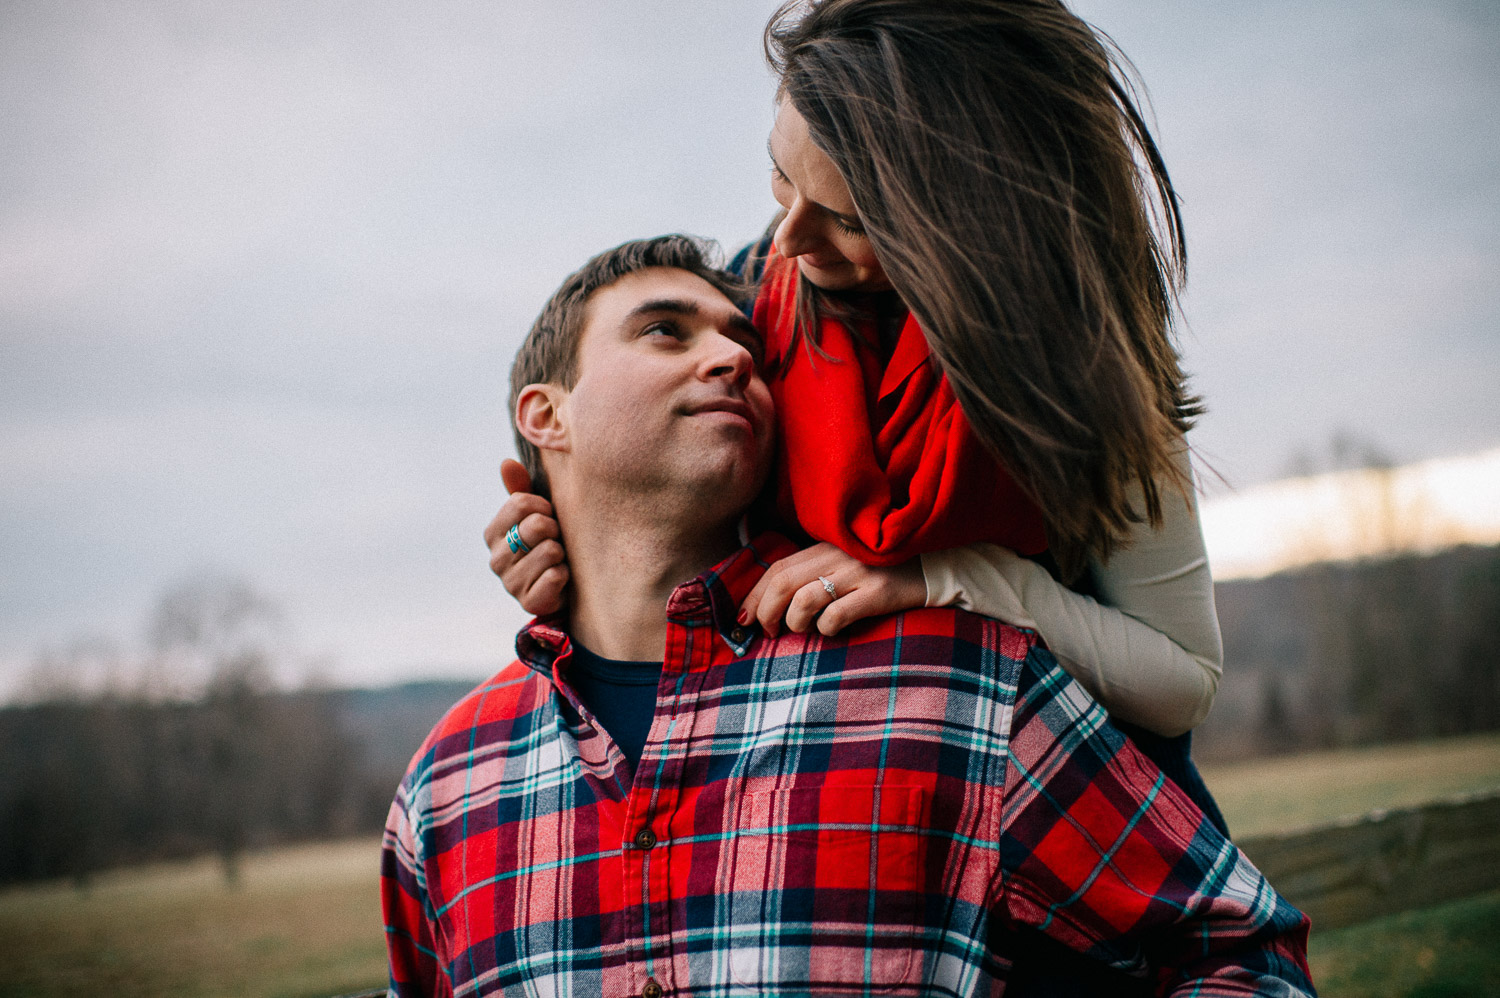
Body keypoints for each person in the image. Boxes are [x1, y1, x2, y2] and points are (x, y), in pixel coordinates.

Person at [382, 235, 1316, 997]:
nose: (734, 355)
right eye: (665, 331)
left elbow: (1240, 952)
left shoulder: (957, 684)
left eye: (745, 342)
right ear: (546, 415)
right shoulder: (445, 786)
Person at [487, 0, 1228, 830]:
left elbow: (1181, 680)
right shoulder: (760, 298)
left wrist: (946, 576)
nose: (790, 239)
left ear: (966, 228)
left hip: (1072, 830)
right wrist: (563, 536)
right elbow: (663, 483)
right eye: (780, 174)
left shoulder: (1086, 370)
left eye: (848, 219)